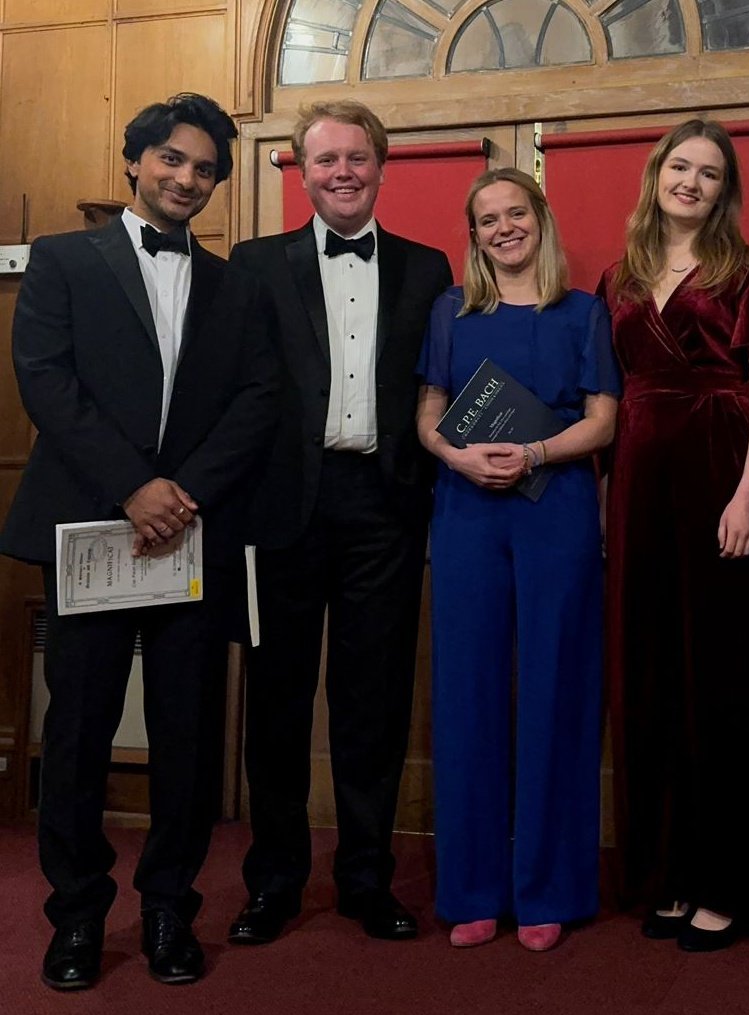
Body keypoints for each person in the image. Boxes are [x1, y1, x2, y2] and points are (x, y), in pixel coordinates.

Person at [0, 93, 279, 989]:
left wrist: (181, 495)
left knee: (187, 734)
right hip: (93, 525)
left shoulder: (237, 285)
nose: (186, 178)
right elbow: (45, 380)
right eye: (171, 159)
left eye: (204, 169)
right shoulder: (62, 259)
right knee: (77, 731)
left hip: (190, 533)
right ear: (135, 160)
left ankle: (168, 909)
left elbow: (259, 398)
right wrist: (133, 485)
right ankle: (78, 915)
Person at [226, 101, 452, 945]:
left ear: (381, 166)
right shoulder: (254, 264)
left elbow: (442, 385)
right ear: (301, 171)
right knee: (277, 702)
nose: (343, 172)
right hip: (281, 508)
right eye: (326, 160)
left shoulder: (428, 268)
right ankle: (273, 881)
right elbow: (232, 386)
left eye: (357, 157)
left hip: (383, 508)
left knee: (373, 702)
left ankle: (365, 878)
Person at [416, 167, 619, 951]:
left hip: (555, 510)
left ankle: (547, 889)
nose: (503, 227)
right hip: (466, 510)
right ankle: (471, 889)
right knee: (467, 694)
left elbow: (602, 422)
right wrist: (456, 456)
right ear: (472, 235)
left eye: (515, 213)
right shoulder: (451, 311)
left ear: (540, 218)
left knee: (554, 692)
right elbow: (429, 414)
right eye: (487, 218)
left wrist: (534, 452)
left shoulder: (584, 311)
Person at [598, 120, 749, 952]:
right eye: (680, 166)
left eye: (709, 173)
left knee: (718, 679)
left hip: (719, 477)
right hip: (638, 485)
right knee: (649, 678)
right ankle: (667, 874)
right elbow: (608, 398)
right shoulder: (619, 275)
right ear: (656, 174)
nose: (691, 182)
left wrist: (747, 494)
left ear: (723, 192)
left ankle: (725, 884)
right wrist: (603, 499)